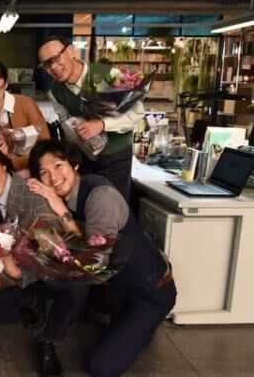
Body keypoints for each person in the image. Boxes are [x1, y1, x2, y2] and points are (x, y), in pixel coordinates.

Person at [27, 140, 176, 377]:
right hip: (117, 290)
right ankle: (120, 325)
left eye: (58, 165)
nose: (52, 177)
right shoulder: (67, 195)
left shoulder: (100, 196)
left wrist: (63, 215)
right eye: (43, 172)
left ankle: (140, 326)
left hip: (150, 291)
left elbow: (94, 264)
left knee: (101, 366)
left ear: (74, 165)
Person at [0, 140, 90, 377]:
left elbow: (50, 255)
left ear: (4, 164)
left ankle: (48, 338)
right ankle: (29, 304)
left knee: (76, 287)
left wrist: (16, 270)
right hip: (6, 273)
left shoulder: (34, 195)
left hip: (44, 273)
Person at [37, 35, 145, 201]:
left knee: (114, 204)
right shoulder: (54, 91)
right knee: (86, 203)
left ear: (71, 51)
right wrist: (74, 129)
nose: (53, 67)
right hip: (85, 158)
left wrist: (102, 124)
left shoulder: (109, 75)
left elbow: (136, 112)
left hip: (115, 156)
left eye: (56, 58)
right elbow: (65, 119)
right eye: (47, 64)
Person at [0, 58, 50, 171]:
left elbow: (45, 144)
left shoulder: (26, 104)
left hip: (31, 171)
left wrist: (12, 154)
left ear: (6, 83)